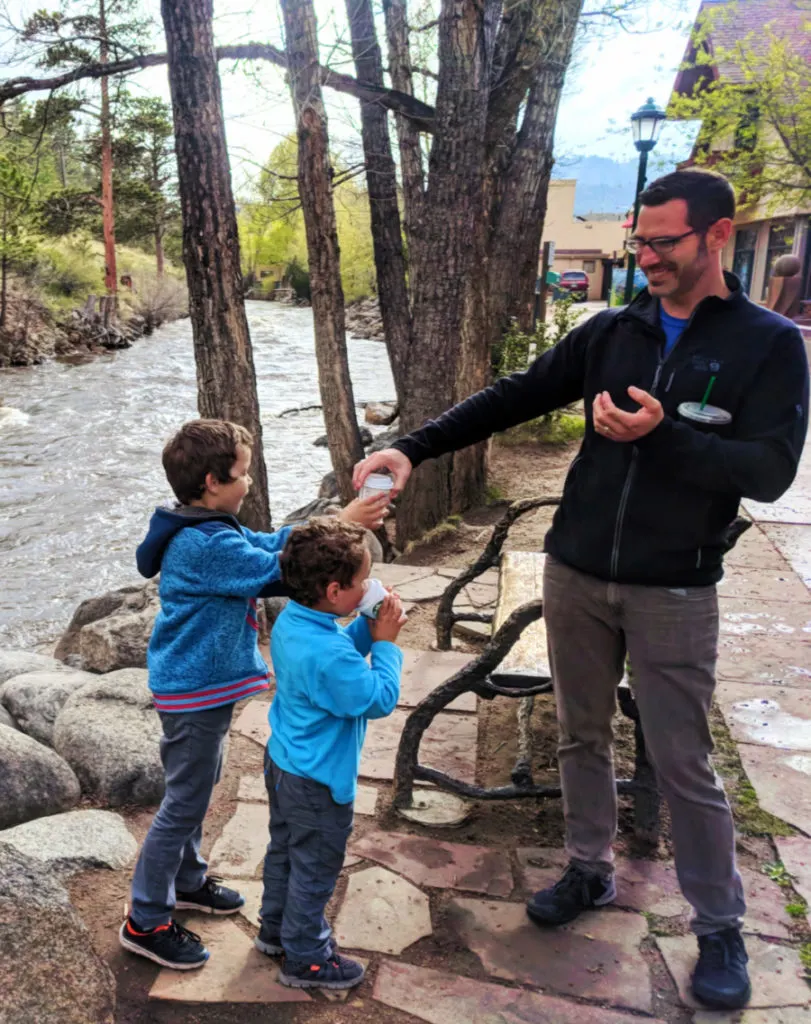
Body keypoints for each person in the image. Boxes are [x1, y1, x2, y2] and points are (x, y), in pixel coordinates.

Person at [353, 169, 809, 1011]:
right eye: (638, 242)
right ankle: (588, 870)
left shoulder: (768, 344)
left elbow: (770, 472)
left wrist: (663, 435)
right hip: (574, 570)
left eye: (660, 243)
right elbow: (515, 395)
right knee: (578, 735)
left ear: (717, 235)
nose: (645, 259)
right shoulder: (613, 332)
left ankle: (718, 928)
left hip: (675, 586)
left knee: (682, 763)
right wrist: (412, 448)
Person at [119, 419, 388, 971]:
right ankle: (145, 919)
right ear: (214, 481)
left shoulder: (211, 524)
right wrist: (339, 523)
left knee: (199, 786)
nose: (249, 482)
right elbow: (278, 569)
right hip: (192, 693)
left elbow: (266, 544)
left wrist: (325, 525)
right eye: (243, 474)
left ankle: (188, 881)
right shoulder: (199, 543)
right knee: (182, 803)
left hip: (202, 691)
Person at [255, 518, 405, 990]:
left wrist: (365, 624)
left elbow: (336, 653)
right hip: (318, 782)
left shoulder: (296, 622)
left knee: (285, 851)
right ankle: (307, 958)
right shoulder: (329, 657)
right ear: (336, 590)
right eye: (361, 583)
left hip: (284, 765)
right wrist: (385, 646)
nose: (367, 587)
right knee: (315, 869)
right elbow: (375, 698)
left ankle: (275, 930)